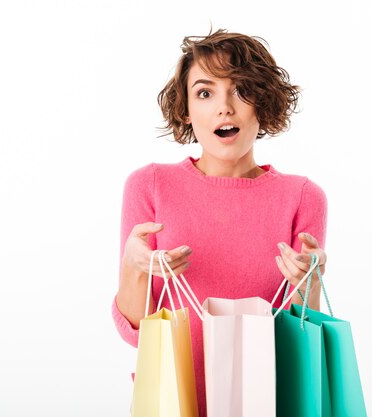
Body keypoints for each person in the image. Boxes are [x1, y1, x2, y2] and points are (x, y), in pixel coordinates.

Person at [112, 28, 328, 416]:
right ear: (187, 108)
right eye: (205, 92)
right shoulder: (150, 185)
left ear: (262, 102)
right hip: (173, 402)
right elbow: (137, 333)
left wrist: (308, 283)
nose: (224, 107)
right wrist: (134, 265)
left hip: (268, 402)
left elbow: (300, 336)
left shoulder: (303, 196)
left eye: (241, 90)